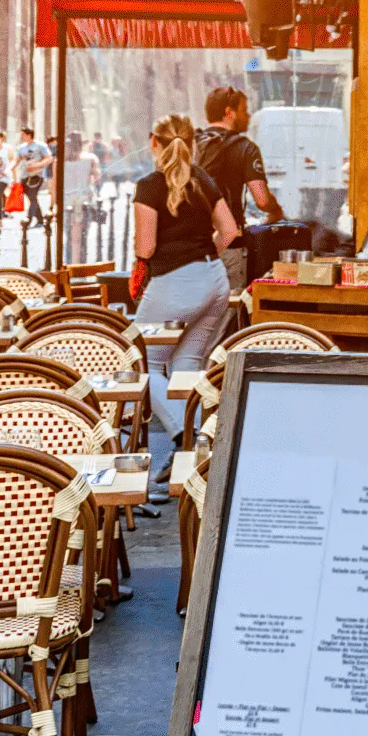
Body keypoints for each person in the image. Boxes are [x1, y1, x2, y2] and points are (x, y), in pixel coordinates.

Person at [132, 112, 240, 491]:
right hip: (214, 279)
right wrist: (202, 253)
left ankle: (185, 439)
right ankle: (192, 459)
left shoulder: (148, 186)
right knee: (186, 365)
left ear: (153, 142)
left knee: (142, 365)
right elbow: (230, 231)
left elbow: (146, 247)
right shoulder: (204, 179)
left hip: (174, 282)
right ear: (193, 143)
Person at [196, 86, 279, 289]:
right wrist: (276, 211)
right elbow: (262, 200)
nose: (248, 116)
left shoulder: (192, 144)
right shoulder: (245, 148)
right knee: (228, 314)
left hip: (191, 247)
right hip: (227, 245)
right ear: (229, 112)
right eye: (244, 110)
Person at [14, 126, 52, 228]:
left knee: (32, 195)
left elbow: (48, 159)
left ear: (29, 135)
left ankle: (28, 219)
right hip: (25, 175)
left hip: (37, 175)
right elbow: (16, 160)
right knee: (31, 197)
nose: (21, 136)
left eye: (23, 134)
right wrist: (8, 169)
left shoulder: (41, 146)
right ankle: (40, 219)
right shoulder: (21, 147)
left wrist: (37, 165)